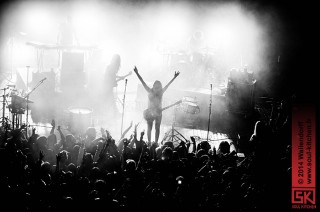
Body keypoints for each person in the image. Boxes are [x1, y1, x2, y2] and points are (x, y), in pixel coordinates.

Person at [133, 66, 180, 144]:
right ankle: (149, 142)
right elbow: (142, 81)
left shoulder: (161, 92)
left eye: (158, 87)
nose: (157, 89)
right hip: (150, 112)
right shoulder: (149, 91)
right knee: (149, 128)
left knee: (157, 128)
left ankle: (155, 143)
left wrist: (174, 77)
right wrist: (137, 73)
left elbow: (168, 85)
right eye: (155, 87)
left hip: (158, 113)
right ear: (153, 86)